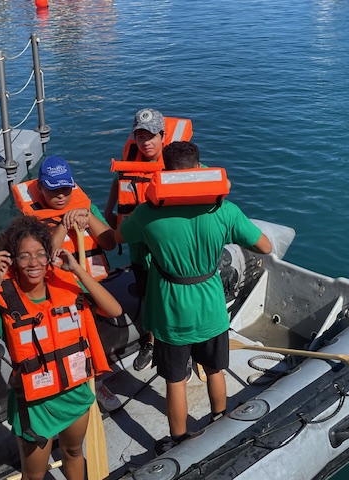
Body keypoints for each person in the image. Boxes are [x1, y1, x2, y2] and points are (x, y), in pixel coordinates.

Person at [115, 141, 272, 455]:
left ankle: (178, 441)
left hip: (170, 311)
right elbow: (265, 247)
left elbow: (115, 237)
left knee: (175, 380)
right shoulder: (224, 210)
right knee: (214, 370)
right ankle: (219, 420)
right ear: (199, 169)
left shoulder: (147, 214)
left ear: (165, 172)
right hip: (211, 307)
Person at [0, 215, 122, 480]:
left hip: (75, 394)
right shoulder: (6, 299)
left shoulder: (66, 284)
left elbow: (114, 310)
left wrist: (77, 270)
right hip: (35, 406)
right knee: (34, 474)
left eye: (41, 254)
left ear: (49, 255)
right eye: (24, 256)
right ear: (13, 260)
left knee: (73, 452)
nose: (34, 263)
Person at [11, 155, 121, 411]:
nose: (60, 196)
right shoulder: (31, 222)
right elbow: (45, 257)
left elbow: (109, 242)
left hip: (89, 288)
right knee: (70, 342)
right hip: (60, 293)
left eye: (65, 189)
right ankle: (71, 385)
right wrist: (64, 224)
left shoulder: (85, 207)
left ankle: (97, 382)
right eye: (53, 190)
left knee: (96, 337)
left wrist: (87, 217)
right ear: (40, 188)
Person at [104, 108, 193, 372]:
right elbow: (120, 179)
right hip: (138, 240)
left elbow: (203, 186)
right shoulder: (132, 156)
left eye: (151, 136)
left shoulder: (176, 161)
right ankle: (151, 342)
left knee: (172, 295)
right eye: (140, 136)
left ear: (163, 135)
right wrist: (109, 209)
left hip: (167, 243)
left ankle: (182, 348)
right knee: (146, 293)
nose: (145, 143)